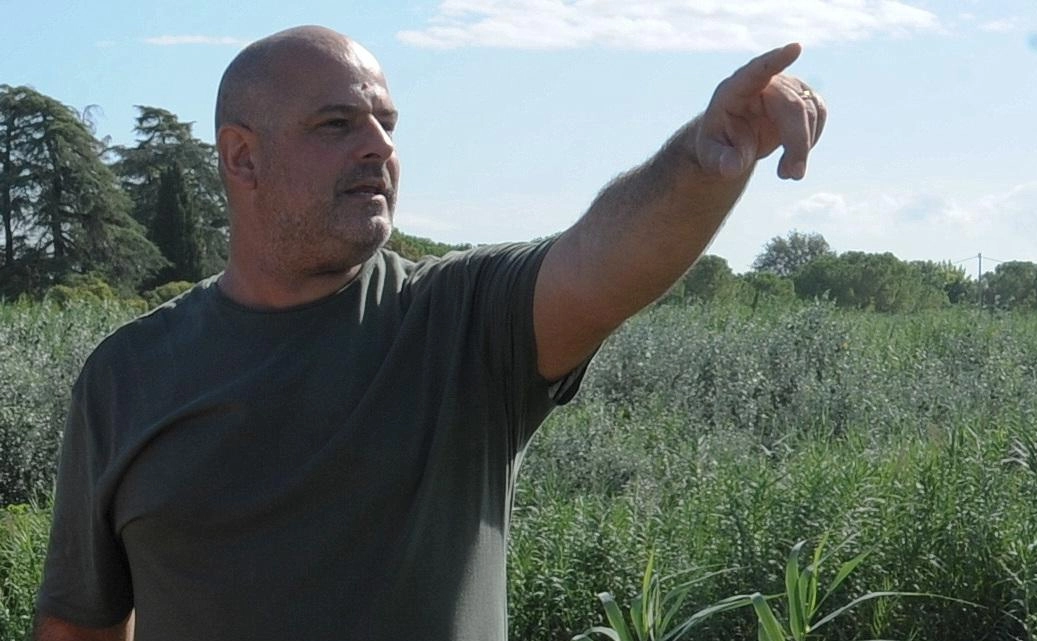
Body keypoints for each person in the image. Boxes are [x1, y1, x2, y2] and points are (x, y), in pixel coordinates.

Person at [34, 24, 825, 641]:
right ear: (242, 159)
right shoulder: (126, 374)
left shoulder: (460, 322)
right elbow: (81, 620)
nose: (378, 145)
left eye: (386, 122)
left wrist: (707, 153)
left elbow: (602, 262)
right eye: (336, 124)